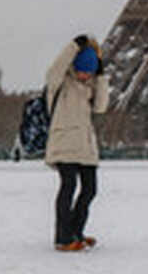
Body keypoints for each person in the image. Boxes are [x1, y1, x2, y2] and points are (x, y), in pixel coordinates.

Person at [45, 34, 110, 252]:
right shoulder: (60, 82)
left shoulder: (90, 86)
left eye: (89, 71)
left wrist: (101, 76)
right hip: (64, 143)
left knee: (90, 189)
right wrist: (74, 46)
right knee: (69, 186)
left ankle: (76, 232)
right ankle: (63, 238)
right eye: (83, 69)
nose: (85, 74)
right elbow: (55, 67)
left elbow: (101, 107)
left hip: (85, 146)